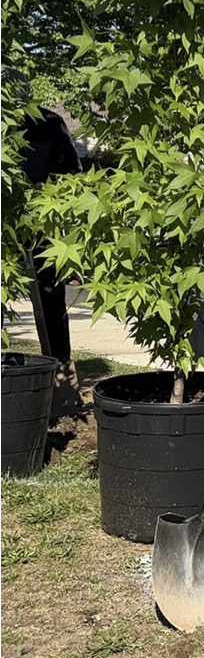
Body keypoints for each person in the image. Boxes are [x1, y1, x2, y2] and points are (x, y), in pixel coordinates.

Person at [14, 74, 84, 418]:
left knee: (51, 303)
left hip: (42, 228)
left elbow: (70, 174)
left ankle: (62, 384)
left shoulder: (49, 123)